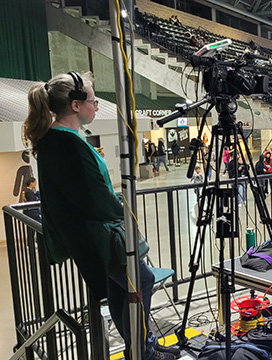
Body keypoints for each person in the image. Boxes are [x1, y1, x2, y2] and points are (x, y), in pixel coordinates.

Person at [22, 71, 178, 359]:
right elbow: (94, 199)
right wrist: (123, 209)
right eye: (93, 101)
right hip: (97, 239)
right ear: (75, 105)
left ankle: (141, 347)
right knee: (141, 281)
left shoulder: (59, 139)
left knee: (122, 289)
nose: (96, 106)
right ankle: (143, 351)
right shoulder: (65, 143)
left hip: (94, 237)